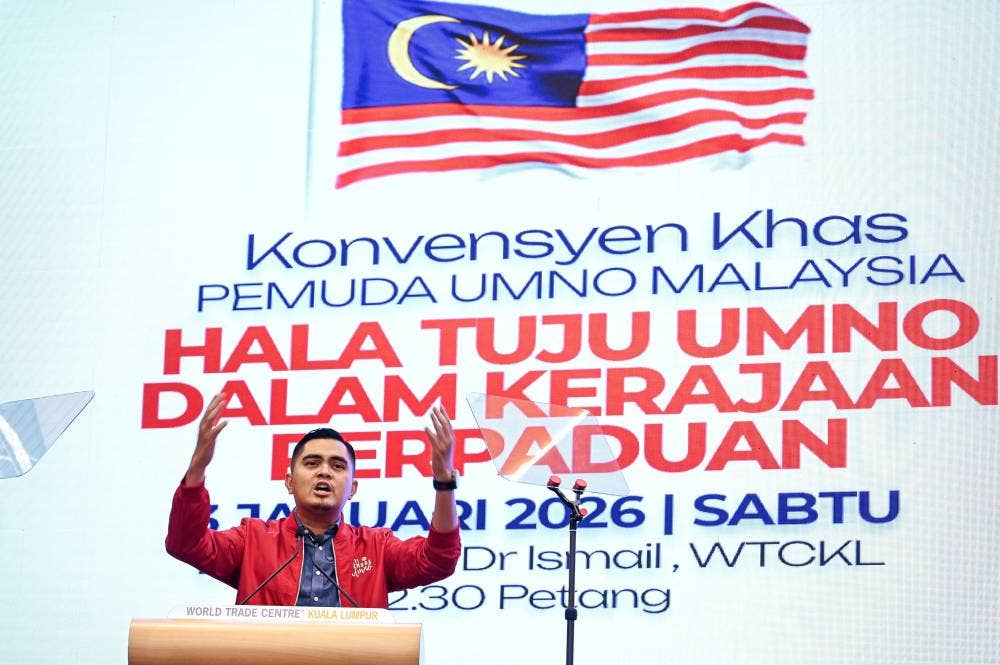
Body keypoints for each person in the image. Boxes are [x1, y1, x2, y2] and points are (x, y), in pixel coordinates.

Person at [166, 392, 461, 607]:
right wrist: (198, 468)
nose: (324, 472)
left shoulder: (376, 548)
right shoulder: (254, 540)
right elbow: (186, 544)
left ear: (353, 488)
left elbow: (438, 560)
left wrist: (444, 481)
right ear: (289, 482)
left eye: (337, 465)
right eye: (311, 463)